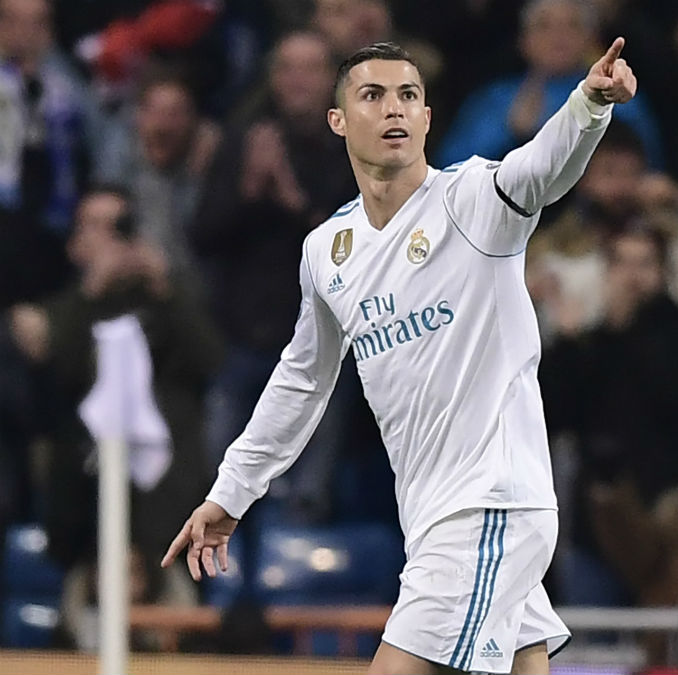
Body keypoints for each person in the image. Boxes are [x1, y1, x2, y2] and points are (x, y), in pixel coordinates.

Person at [161, 38, 638, 675]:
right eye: (373, 95)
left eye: (408, 96)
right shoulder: (329, 250)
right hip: (434, 517)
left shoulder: (471, 202)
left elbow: (539, 169)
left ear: (426, 117)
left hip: (488, 504)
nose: (395, 109)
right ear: (338, 121)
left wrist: (589, 104)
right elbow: (302, 381)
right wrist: (232, 492)